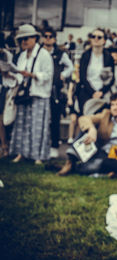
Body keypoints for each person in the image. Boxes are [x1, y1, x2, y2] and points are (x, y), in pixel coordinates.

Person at [57, 92, 117, 176]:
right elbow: (83, 119)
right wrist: (91, 129)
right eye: (112, 105)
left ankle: (74, 167)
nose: (114, 108)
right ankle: (70, 161)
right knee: (85, 129)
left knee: (87, 168)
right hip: (100, 151)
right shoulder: (106, 115)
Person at [10, 24, 53, 165]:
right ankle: (22, 153)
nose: (24, 41)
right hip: (24, 95)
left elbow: (48, 75)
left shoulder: (44, 55)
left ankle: (38, 156)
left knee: (38, 126)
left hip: (39, 95)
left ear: (35, 38)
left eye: (26, 38)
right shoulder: (22, 56)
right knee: (22, 125)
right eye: (21, 39)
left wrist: (33, 75)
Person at [42, 27, 74, 158]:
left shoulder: (60, 53)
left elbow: (70, 67)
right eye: (45, 36)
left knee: (55, 119)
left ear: (54, 39)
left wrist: (63, 74)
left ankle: (54, 145)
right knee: (42, 120)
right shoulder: (39, 52)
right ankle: (41, 146)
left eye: (50, 36)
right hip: (40, 88)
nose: (47, 38)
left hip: (55, 90)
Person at [76, 28, 114, 116]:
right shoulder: (85, 55)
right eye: (93, 37)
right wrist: (93, 92)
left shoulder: (108, 57)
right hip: (87, 91)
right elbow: (82, 77)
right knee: (86, 120)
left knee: (102, 120)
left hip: (103, 93)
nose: (96, 39)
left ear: (104, 41)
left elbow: (111, 78)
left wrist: (101, 92)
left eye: (99, 37)